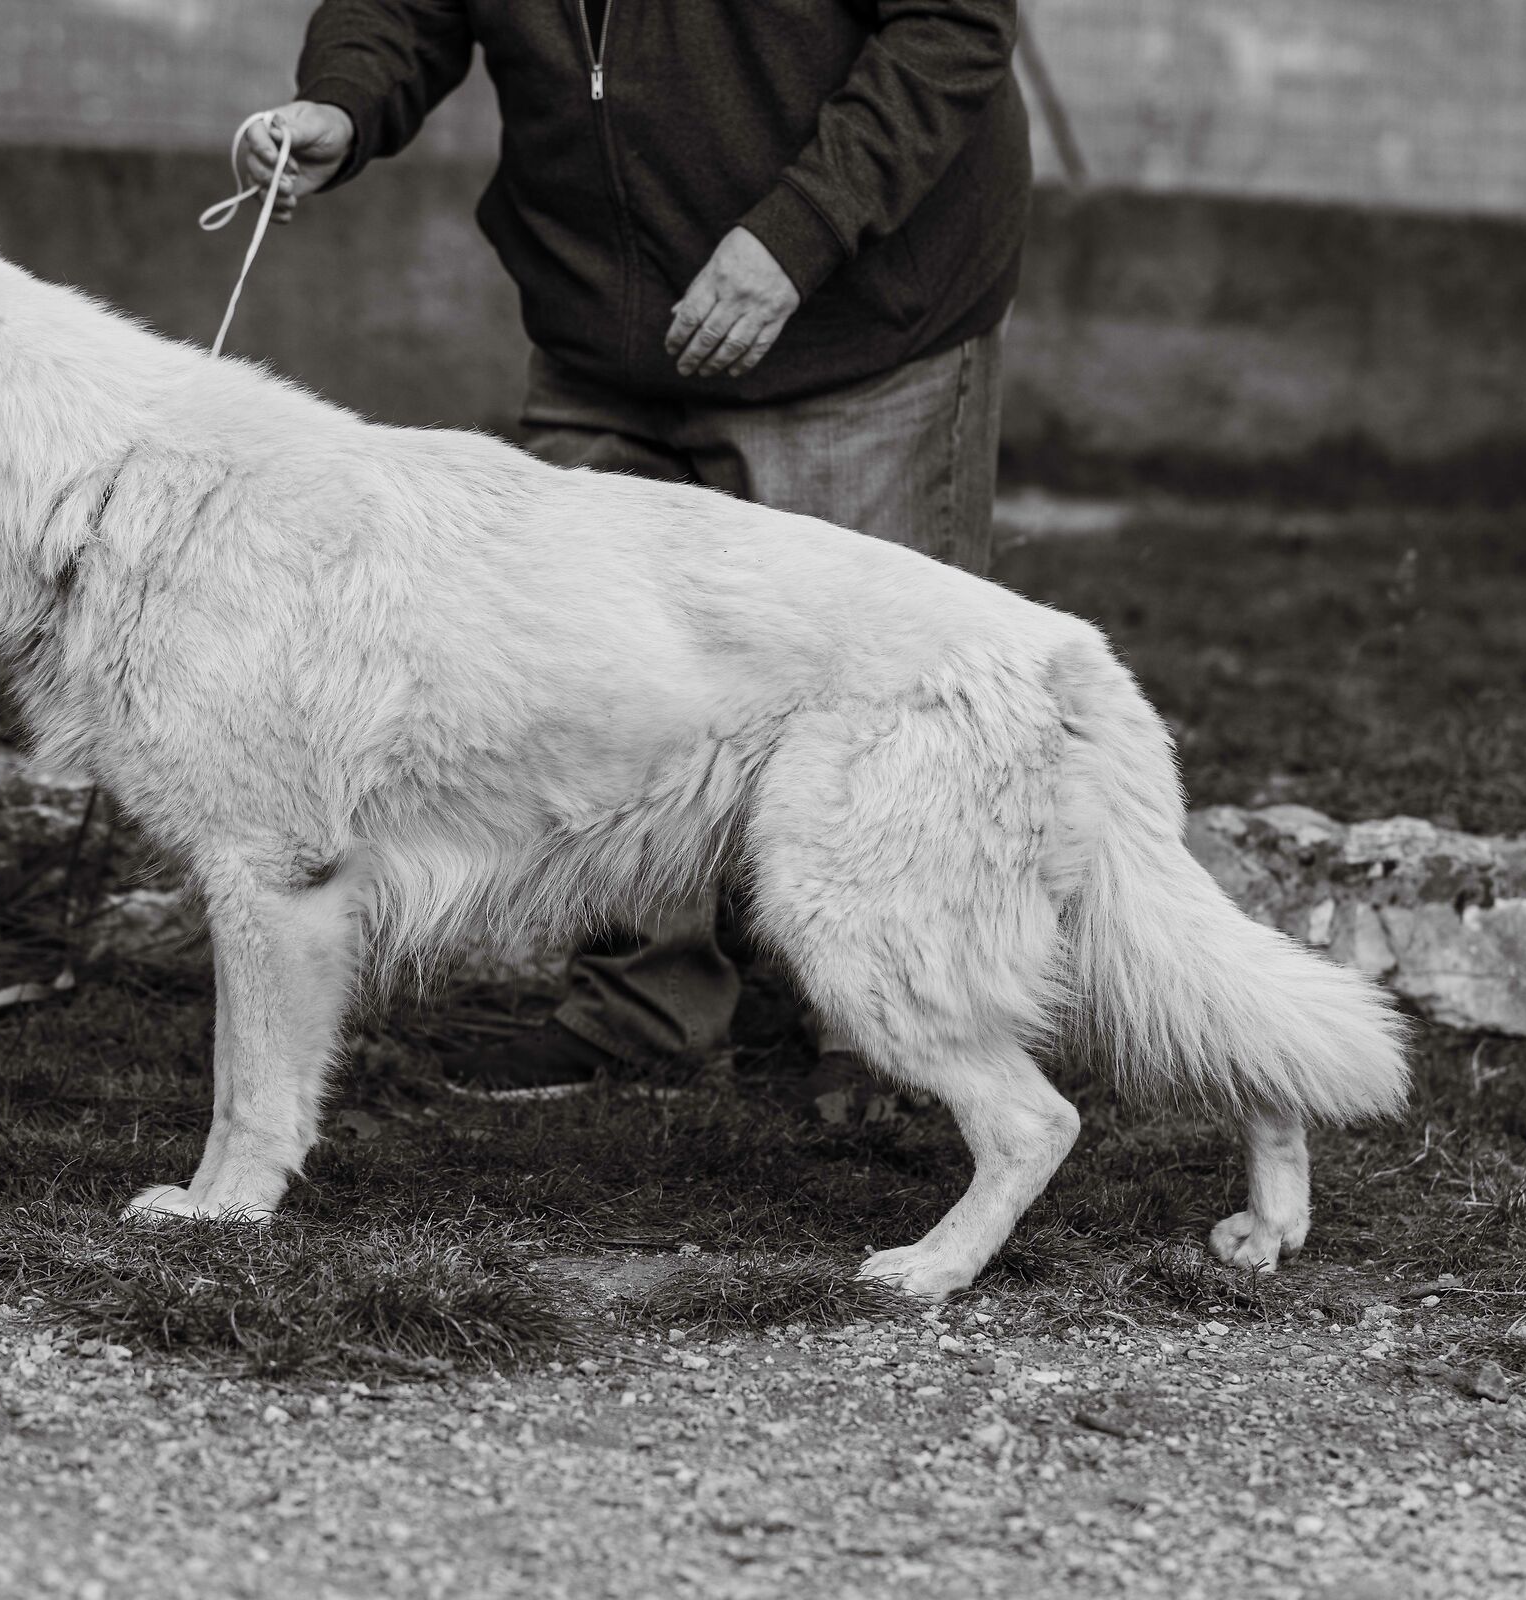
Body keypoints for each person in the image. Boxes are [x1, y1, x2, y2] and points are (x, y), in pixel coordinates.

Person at [242, 0, 1031, 1111]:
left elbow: (950, 25)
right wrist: (342, 98)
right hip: (600, 329)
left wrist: (797, 233)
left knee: (883, 701)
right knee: (585, 683)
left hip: (859, 326)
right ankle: (641, 1007)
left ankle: (899, 1036)